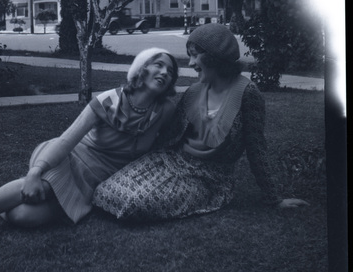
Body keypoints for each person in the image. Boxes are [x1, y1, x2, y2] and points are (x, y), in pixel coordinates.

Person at [0, 48, 179, 240]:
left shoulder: (164, 110)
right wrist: (35, 172)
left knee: (24, 217)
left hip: (99, 180)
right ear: (142, 68)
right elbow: (67, 140)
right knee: (40, 186)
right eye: (159, 65)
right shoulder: (107, 101)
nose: (165, 72)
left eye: (170, 71)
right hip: (73, 158)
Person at [93, 25, 309, 221]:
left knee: (133, 203)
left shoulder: (247, 93)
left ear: (215, 57)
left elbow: (256, 147)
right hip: (170, 160)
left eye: (195, 56)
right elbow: (169, 136)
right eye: (190, 56)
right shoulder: (193, 91)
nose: (190, 63)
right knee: (104, 190)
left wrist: (274, 198)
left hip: (209, 179)